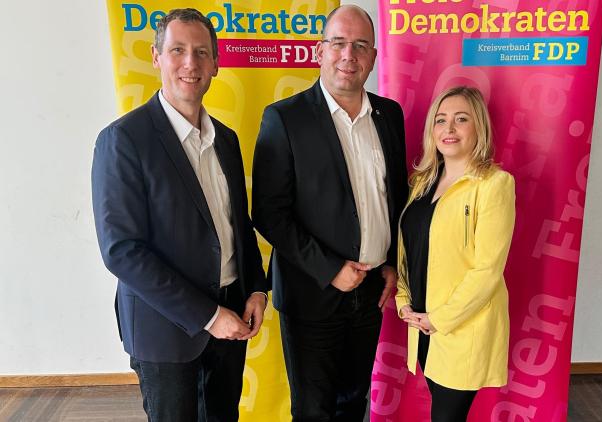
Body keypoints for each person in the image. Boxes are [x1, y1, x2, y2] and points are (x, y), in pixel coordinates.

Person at [92, 9, 268, 422]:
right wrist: (208, 316)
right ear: (156, 57)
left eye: (202, 52)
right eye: (178, 50)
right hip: (165, 329)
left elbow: (237, 226)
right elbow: (122, 251)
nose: (191, 63)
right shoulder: (123, 140)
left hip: (233, 315)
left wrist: (257, 290)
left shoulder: (226, 139)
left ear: (216, 64)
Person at [251, 5, 408, 421]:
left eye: (360, 45)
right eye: (338, 43)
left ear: (373, 57)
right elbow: (268, 212)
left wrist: (391, 263)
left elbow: (395, 197)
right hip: (311, 292)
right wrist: (330, 269)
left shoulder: (389, 115)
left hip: (371, 290)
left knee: (353, 403)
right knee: (314, 410)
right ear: (320, 51)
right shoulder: (285, 118)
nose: (348, 55)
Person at [395, 86, 516, 421]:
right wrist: (403, 299)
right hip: (421, 324)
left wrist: (440, 319)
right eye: (440, 120)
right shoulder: (421, 183)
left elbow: (487, 270)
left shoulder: (494, 184)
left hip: (461, 328)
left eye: (461, 119)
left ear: (479, 127)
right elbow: (408, 250)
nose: (448, 128)